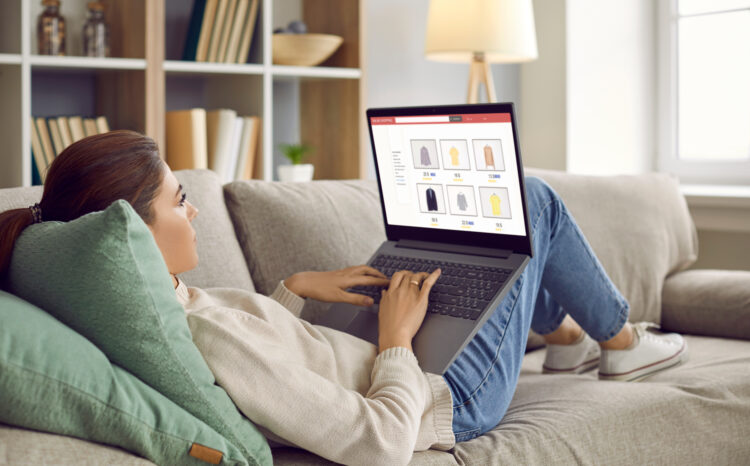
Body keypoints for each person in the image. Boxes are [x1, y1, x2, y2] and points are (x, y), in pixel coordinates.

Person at [0, 132, 688, 465]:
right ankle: (621, 342)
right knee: (530, 203)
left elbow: (264, 345)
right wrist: (394, 341)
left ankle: (560, 335)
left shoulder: (164, 304)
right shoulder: (215, 343)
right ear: (134, 233)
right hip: (443, 394)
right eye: (181, 201)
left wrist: (293, 291)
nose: (196, 211)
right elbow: (380, 442)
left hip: (384, 354)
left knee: (482, 250)